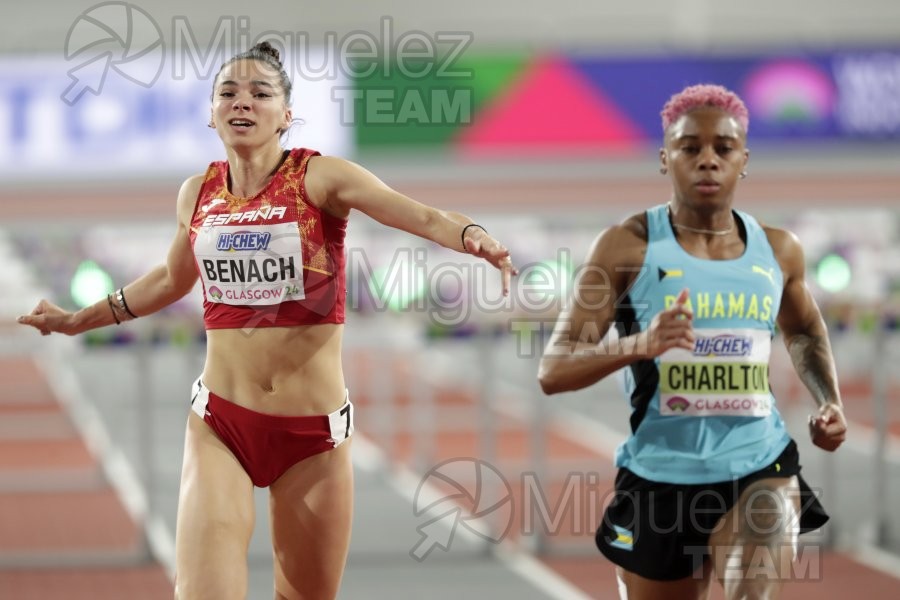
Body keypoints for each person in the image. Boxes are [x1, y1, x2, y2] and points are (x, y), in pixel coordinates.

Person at [18, 41, 517, 600]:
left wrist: (474, 238)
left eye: (261, 93)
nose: (243, 102)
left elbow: (421, 214)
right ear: (211, 114)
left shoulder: (319, 179)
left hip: (313, 436)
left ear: (287, 116)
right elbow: (169, 280)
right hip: (221, 425)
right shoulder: (197, 193)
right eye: (228, 92)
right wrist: (74, 321)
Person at [538, 83, 847, 599]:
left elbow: (805, 329)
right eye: (690, 148)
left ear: (743, 159)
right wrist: (640, 345)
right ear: (666, 159)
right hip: (659, 475)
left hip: (759, 464)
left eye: (723, 149)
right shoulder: (626, 247)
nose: (708, 160)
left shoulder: (779, 251)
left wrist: (829, 400)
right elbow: (553, 370)